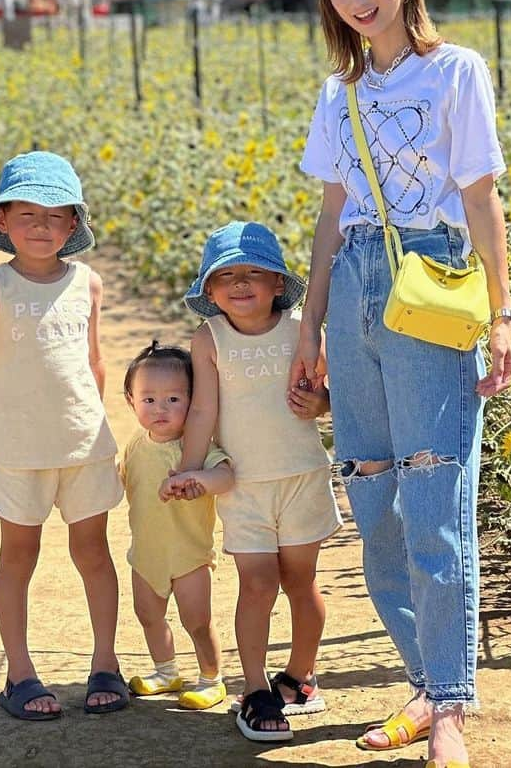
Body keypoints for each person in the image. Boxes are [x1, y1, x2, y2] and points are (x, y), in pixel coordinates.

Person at [293, 0, 511, 768]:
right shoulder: (336, 90)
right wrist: (309, 329)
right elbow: (330, 218)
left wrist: (502, 315)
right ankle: (425, 683)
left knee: (436, 501)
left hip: (430, 282)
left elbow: (480, 197)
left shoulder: (455, 71)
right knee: (375, 503)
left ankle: (452, 707)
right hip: (351, 288)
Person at [0, 150, 128, 721]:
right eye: (28, 214)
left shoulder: (88, 282)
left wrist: (100, 429)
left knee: (94, 553)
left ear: (73, 225)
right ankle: (19, 673)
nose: (42, 226)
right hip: (19, 452)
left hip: (86, 447)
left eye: (56, 214)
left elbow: (94, 363)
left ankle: (105, 662)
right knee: (19, 556)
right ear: (3, 222)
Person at [172, 221, 341, 744]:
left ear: (277, 284)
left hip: (301, 477)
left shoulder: (303, 331)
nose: (240, 285)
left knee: (299, 580)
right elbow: (203, 409)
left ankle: (299, 677)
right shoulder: (209, 338)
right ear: (209, 291)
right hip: (241, 485)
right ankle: (254, 688)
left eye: (253, 273)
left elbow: (335, 395)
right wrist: (190, 471)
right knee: (257, 583)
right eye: (226, 277)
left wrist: (323, 404)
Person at [121, 340, 233, 710]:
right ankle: (166, 670)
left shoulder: (196, 449)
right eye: (148, 399)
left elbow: (226, 476)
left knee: (197, 620)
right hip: (147, 553)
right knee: (148, 614)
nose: (160, 409)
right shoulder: (136, 446)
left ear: (194, 400)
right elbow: (124, 483)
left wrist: (199, 478)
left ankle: (211, 678)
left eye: (173, 399)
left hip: (189, 554)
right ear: (131, 401)